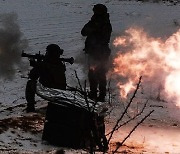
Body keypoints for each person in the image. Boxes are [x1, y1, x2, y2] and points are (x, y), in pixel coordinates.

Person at [81, 4, 112, 102]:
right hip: (92, 52)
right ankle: (93, 92)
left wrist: (94, 29)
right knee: (92, 73)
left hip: (100, 52)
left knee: (101, 73)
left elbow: (104, 38)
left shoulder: (105, 24)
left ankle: (102, 95)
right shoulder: (94, 22)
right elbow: (83, 32)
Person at [25, 44, 67, 112]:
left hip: (49, 91)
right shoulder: (60, 64)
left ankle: (30, 107)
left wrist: (37, 64)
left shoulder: (44, 64)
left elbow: (33, 76)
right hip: (61, 92)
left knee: (30, 83)